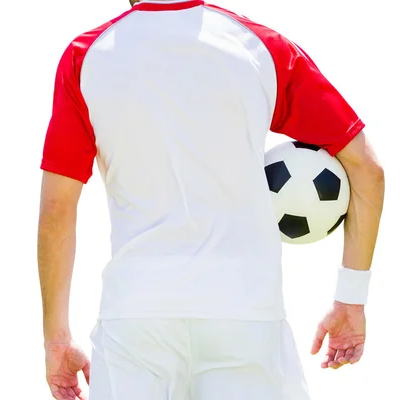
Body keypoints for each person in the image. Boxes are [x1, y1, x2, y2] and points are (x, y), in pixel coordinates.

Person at [37, 1, 385, 399]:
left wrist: (56, 339)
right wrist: (351, 301)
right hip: (244, 314)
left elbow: (57, 207)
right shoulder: (261, 48)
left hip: (137, 318)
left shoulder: (88, 58)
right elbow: (367, 170)